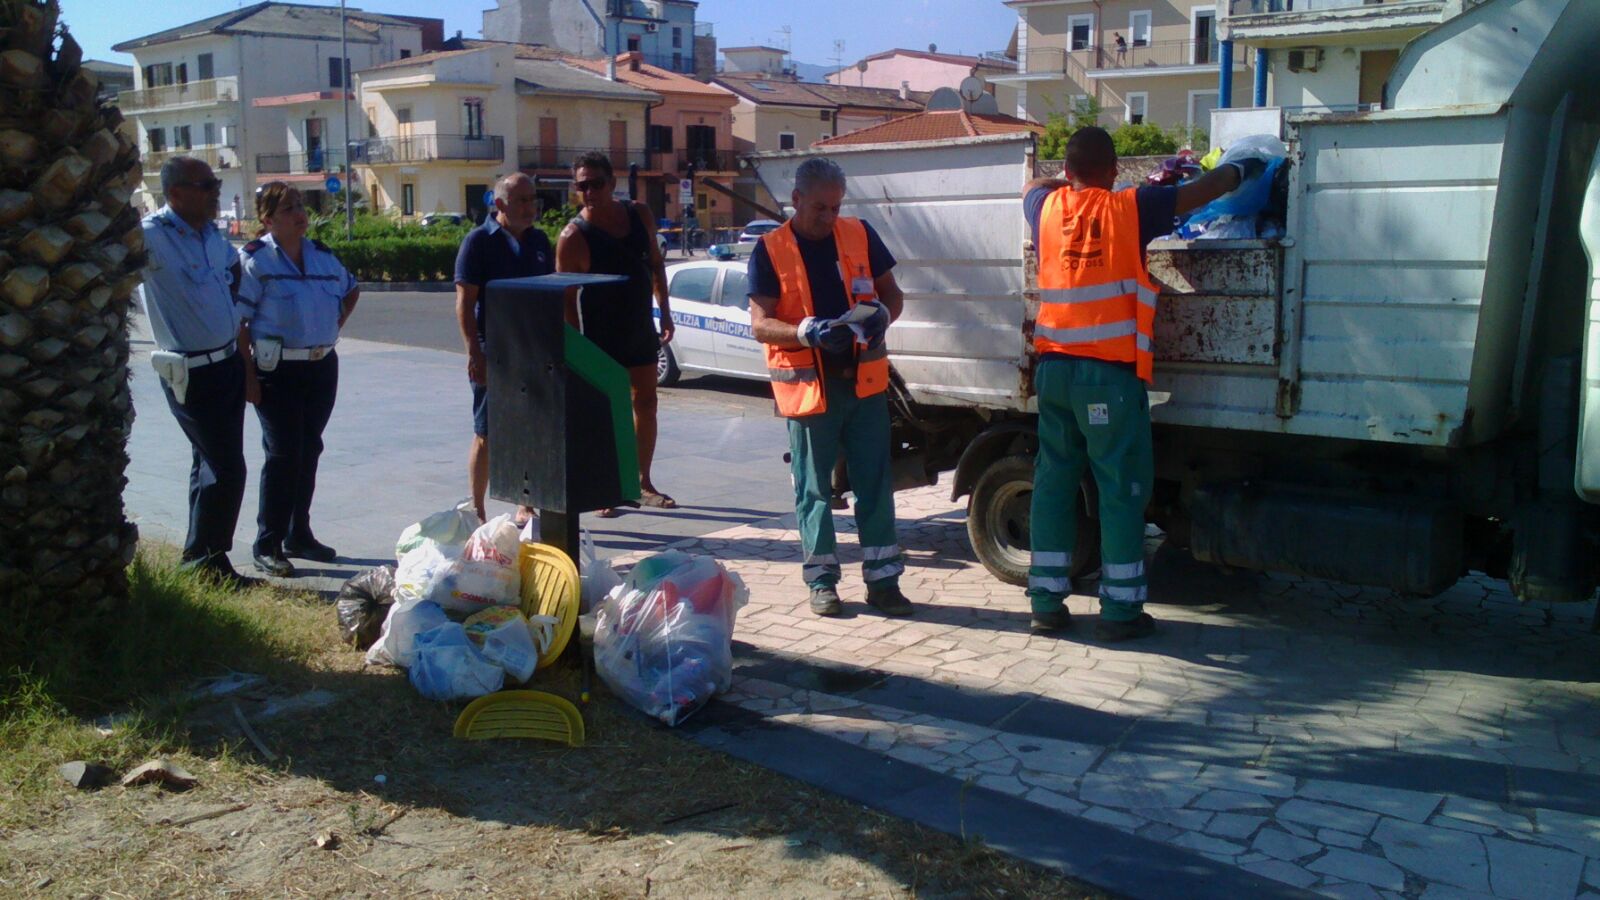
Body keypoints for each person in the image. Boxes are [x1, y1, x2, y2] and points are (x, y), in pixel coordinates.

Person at [1023, 126, 1265, 641]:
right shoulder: (1130, 208)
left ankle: (1045, 603)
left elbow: (1031, 187)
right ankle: (1121, 612)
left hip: (1054, 370)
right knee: (1119, 488)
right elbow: (1202, 191)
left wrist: (1058, 180)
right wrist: (1245, 167)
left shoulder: (1044, 209)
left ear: (1068, 172)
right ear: (1114, 172)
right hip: (1105, 376)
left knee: (1053, 482)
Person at [748, 157, 913, 618]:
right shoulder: (770, 249)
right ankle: (822, 582)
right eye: (819, 207)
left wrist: (882, 317)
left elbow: (891, 295)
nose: (828, 216)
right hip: (810, 390)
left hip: (863, 385)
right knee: (815, 490)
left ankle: (884, 582)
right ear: (796, 199)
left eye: (835, 207)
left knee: (875, 485)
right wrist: (807, 332)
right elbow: (760, 325)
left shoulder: (858, 233)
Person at [139, 157, 256, 588]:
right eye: (205, 185)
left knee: (207, 465)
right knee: (228, 468)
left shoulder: (210, 234)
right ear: (175, 194)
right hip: (188, 370)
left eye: (215, 183)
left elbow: (230, 271)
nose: (214, 191)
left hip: (225, 362)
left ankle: (199, 557)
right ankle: (211, 562)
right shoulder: (151, 236)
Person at [235, 183, 359, 578]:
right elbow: (239, 322)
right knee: (284, 453)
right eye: (288, 209)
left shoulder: (322, 256)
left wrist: (334, 323)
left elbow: (351, 290)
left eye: (300, 206)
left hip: (321, 366)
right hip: (277, 371)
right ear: (268, 220)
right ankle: (267, 543)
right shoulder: (255, 261)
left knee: (309, 449)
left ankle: (298, 534)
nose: (299, 214)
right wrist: (248, 376)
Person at [555, 151, 676, 516]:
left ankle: (643, 483)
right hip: (600, 335)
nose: (589, 192)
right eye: (582, 186)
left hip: (639, 326)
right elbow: (566, 299)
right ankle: (606, 488)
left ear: (612, 184)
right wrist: (575, 350)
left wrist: (665, 313)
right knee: (608, 413)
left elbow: (655, 264)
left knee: (647, 403)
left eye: (596, 184)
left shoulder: (639, 214)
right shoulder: (573, 236)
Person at [454, 172, 555, 524]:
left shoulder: (541, 241)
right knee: (487, 433)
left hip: (533, 352)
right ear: (500, 205)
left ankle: (525, 503)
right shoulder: (478, 242)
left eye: (533, 200)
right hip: (493, 351)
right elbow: (465, 304)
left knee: (529, 428)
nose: (531, 208)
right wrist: (474, 354)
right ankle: (477, 509)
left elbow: (550, 294)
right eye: (522, 201)